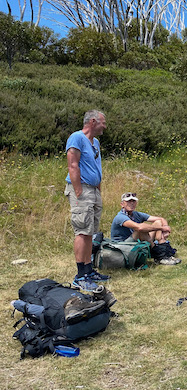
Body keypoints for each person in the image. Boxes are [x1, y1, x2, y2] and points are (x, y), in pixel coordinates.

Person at [65, 110, 109, 292]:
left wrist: (98, 189)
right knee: (82, 230)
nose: (105, 126)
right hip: (81, 190)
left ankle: (89, 269)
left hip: (93, 190)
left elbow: (95, 166)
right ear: (93, 121)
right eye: (103, 122)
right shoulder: (76, 138)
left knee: (90, 230)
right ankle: (80, 276)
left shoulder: (95, 142)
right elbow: (73, 164)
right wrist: (78, 191)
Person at [110, 192, 180, 265]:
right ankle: (159, 255)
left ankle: (164, 251)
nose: (131, 203)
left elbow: (161, 219)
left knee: (158, 222)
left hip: (134, 241)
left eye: (133, 201)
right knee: (141, 229)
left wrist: (165, 228)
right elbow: (139, 228)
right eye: (128, 201)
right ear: (122, 204)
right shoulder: (120, 217)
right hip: (122, 246)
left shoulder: (136, 214)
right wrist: (162, 228)